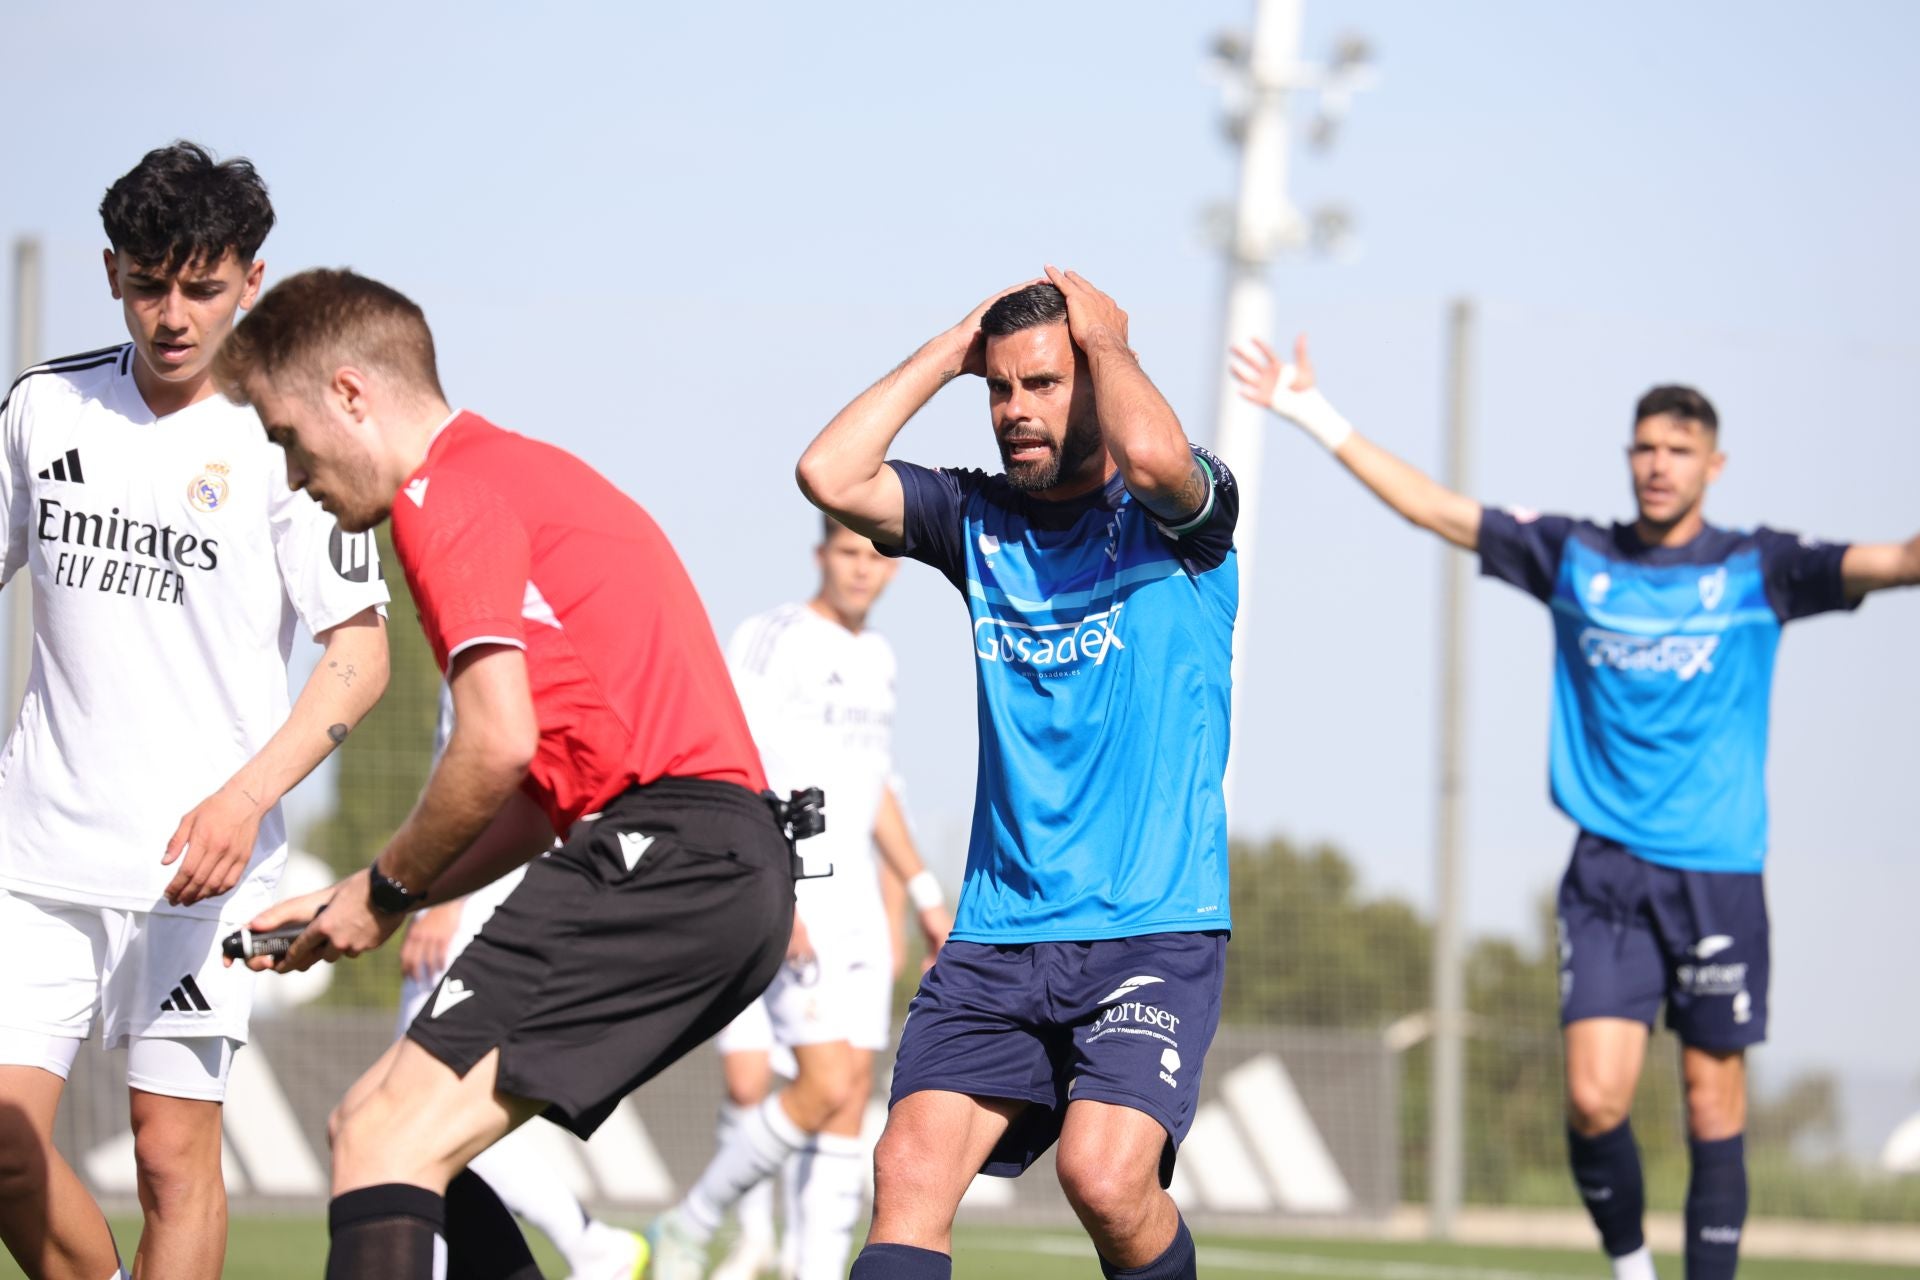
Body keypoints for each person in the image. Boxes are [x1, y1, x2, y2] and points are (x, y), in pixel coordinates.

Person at [1232, 336, 1920, 1280]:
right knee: (1596, 1101)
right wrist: (1313, 412)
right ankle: (1632, 1268)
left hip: (1718, 875)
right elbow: (1435, 508)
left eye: (1678, 451)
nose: (1657, 465)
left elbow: (1902, 560)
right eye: (1644, 448)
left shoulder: (1762, 569)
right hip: (1605, 875)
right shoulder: (1574, 555)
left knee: (1712, 1105)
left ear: (1712, 466)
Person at [214, 267, 795, 1280]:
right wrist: (371, 895)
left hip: (669, 849)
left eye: (285, 435)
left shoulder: (444, 494)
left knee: (385, 1139)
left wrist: (390, 884)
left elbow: (494, 741)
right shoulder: (513, 472)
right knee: (382, 1130)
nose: (294, 472)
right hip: (717, 858)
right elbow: (536, 792)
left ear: (350, 394)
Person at [796, 268, 1239, 1280]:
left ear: (1094, 384)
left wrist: (1114, 346)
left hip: (1150, 923)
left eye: (1041, 384)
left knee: (1105, 1173)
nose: (1014, 411)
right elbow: (829, 469)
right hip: (1001, 934)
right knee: (905, 1166)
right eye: (999, 389)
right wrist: (954, 348)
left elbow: (1160, 452)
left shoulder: (1182, 518)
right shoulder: (976, 519)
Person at [0, 142, 391, 1280]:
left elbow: (357, 661)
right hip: (38, 851)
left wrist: (242, 799)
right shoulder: (41, 408)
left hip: (202, 869)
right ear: (113, 270)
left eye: (202, 286)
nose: (172, 314)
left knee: (173, 1157)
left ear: (252, 283)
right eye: (147, 283)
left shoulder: (290, 432)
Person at [652, 516, 953, 1280]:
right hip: (789, 889)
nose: (861, 569)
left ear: (894, 571)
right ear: (821, 555)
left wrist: (922, 894)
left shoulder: (879, 658)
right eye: (848, 553)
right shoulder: (774, 635)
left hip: (856, 903)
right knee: (816, 1085)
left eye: (877, 557)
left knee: (849, 1094)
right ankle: (693, 1220)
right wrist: (770, 887)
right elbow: (724, 753)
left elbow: (874, 785)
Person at [389, 687, 646, 1279]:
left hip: (485, 891)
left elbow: (505, 767)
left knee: (416, 1107)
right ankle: (588, 1243)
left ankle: (588, 1242)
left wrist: (446, 898)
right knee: (427, 1113)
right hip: (492, 886)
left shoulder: (516, 624)